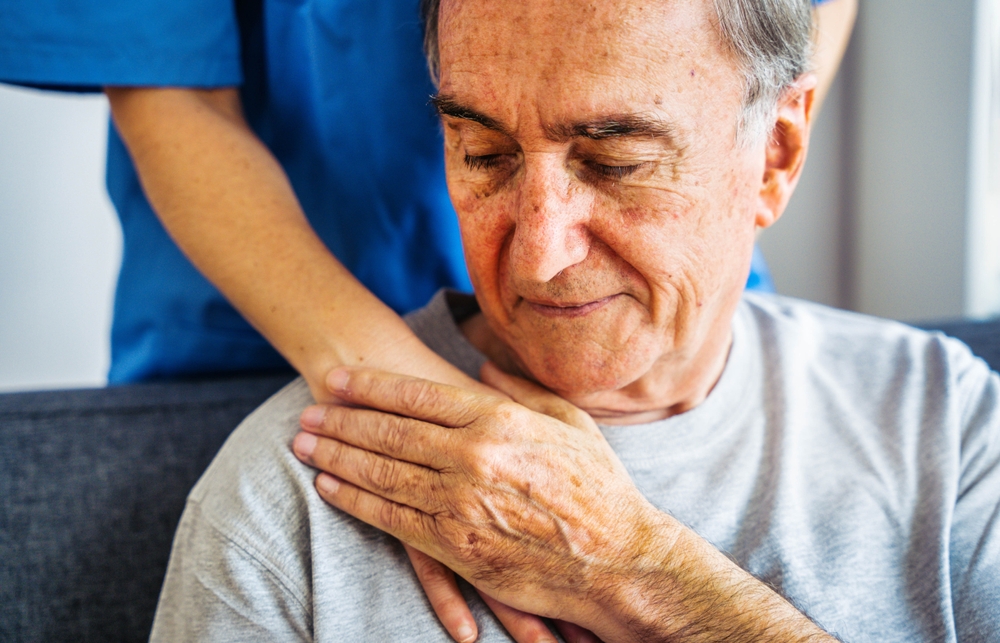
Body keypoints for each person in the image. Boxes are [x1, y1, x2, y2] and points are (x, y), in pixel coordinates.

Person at [1, 0, 854, 639]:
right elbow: (168, 92)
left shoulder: (949, 422)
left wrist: (727, 178)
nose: (541, 255)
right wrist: (436, 431)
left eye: (616, 156)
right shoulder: (268, 500)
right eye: (481, 150)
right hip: (278, 338)